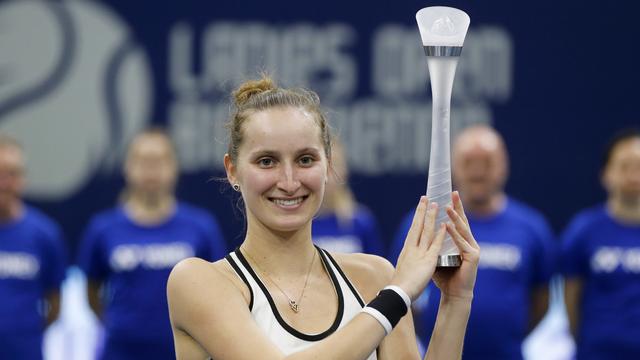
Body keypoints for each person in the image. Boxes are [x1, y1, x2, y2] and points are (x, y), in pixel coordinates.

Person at [167, 75, 480, 359]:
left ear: (328, 165)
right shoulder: (197, 282)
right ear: (232, 170)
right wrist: (397, 296)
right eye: (267, 161)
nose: (289, 181)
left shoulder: (374, 278)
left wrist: (456, 301)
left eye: (305, 159)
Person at [390, 125, 557, 359]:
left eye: (487, 162)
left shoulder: (532, 227)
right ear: (453, 167)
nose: (478, 171)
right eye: (468, 162)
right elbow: (400, 291)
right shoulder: (425, 222)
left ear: (503, 166)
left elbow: (542, 300)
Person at [78, 128, 226, 360]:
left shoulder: (201, 227)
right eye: (142, 160)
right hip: (120, 351)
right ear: (127, 167)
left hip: (182, 351)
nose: (151, 169)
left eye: (159, 160)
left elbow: (218, 291)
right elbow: (91, 291)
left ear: (175, 167)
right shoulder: (103, 228)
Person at [562, 128, 640, 360]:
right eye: (625, 167)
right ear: (606, 174)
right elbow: (570, 297)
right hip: (597, 352)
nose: (633, 176)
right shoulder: (583, 230)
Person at [0, 134, 67, 360]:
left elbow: (55, 305)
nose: (4, 183)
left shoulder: (45, 234)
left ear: (24, 179)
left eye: (12, 174)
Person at [312, 139, 385, 256]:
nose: (327, 174)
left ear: (345, 172)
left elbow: (378, 269)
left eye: (334, 165)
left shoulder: (362, 221)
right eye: (322, 165)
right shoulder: (299, 224)